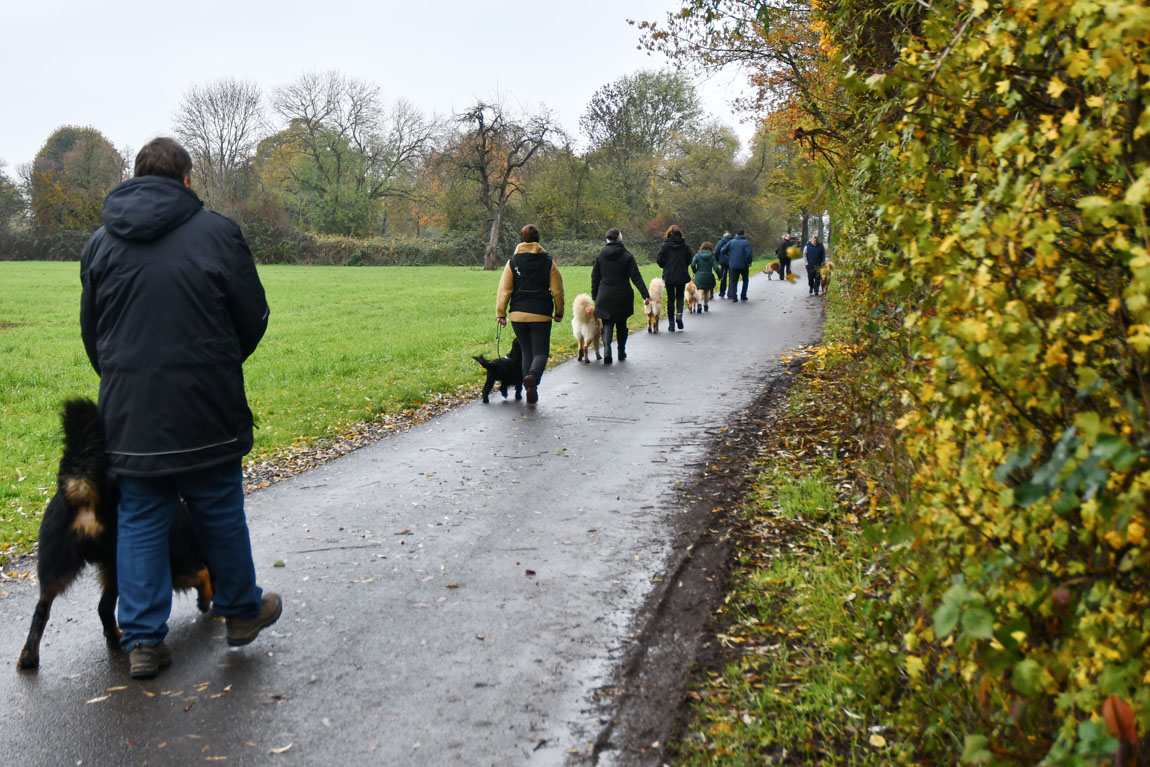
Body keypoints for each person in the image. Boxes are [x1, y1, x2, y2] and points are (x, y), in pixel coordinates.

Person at [79, 137, 281, 680]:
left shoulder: (100, 244)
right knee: (217, 505)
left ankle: (143, 639)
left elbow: (93, 334)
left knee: (141, 515)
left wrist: (125, 379)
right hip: (206, 404)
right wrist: (219, 361)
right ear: (187, 179)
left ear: (136, 177)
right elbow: (253, 315)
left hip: (130, 411)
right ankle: (240, 611)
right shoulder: (218, 233)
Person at [496, 224, 565, 402]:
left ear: (522, 239)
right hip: (541, 313)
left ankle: (529, 389)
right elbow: (557, 290)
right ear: (538, 240)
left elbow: (504, 290)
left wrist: (501, 313)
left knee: (527, 352)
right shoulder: (548, 261)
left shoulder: (513, 262)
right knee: (540, 353)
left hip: (518, 314)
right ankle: (532, 378)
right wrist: (559, 312)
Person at [591, 228, 650, 363]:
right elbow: (636, 276)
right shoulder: (627, 256)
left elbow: (595, 277)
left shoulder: (600, 256)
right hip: (623, 295)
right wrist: (645, 294)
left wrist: (595, 296)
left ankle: (607, 350)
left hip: (604, 295)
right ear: (620, 239)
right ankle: (621, 351)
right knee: (622, 324)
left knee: (607, 323)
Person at [655, 224, 694, 331]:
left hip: (669, 276)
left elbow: (659, 259)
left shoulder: (664, 246)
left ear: (668, 234)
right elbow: (689, 259)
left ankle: (671, 323)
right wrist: (684, 265)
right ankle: (679, 316)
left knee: (671, 298)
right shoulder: (685, 246)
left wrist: (665, 266)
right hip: (681, 275)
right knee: (680, 297)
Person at [690, 241, 720, 312]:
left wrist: (695, 271)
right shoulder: (712, 256)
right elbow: (716, 268)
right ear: (710, 248)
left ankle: (699, 304)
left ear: (702, 247)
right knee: (707, 291)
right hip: (708, 276)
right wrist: (720, 276)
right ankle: (706, 305)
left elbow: (693, 264)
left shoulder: (697, 255)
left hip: (699, 275)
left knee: (700, 290)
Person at [726, 229, 753, 301]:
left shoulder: (731, 242)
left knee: (733, 281)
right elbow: (748, 253)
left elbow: (723, 250)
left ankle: (734, 297)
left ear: (736, 234)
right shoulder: (746, 242)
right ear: (744, 235)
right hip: (744, 265)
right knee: (745, 280)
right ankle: (743, 296)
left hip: (733, 265)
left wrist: (727, 255)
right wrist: (749, 262)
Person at [713, 231, 732, 298]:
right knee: (731, 278)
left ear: (724, 236)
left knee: (723, 278)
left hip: (723, 262)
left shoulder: (721, 241)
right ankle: (730, 293)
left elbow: (716, 251)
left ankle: (722, 293)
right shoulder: (733, 241)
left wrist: (717, 260)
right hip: (732, 262)